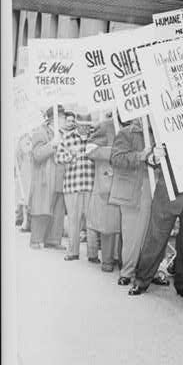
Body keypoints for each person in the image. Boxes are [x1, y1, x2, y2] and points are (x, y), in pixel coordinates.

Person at [128, 146, 183, 299]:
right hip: (167, 191)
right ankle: (141, 280)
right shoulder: (169, 125)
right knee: (155, 238)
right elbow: (151, 156)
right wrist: (155, 156)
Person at [109, 118, 153, 286]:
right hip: (131, 191)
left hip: (151, 188)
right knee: (131, 234)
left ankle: (145, 271)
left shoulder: (158, 132)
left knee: (147, 233)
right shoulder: (125, 133)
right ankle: (127, 271)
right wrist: (139, 156)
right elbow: (116, 159)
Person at [56, 114, 97, 261]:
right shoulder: (67, 138)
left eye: (87, 125)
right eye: (82, 125)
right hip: (72, 185)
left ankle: (93, 255)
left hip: (91, 185)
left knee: (92, 221)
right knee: (74, 220)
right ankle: (73, 252)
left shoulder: (95, 138)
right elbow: (58, 158)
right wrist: (69, 156)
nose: (85, 128)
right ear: (77, 124)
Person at [86, 115, 121, 272]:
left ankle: (121, 260)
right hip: (108, 182)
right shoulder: (106, 125)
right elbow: (90, 150)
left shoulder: (140, 126)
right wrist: (116, 153)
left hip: (129, 183)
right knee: (108, 224)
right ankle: (107, 260)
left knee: (123, 225)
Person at [29, 105, 67, 249]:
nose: (65, 120)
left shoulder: (62, 133)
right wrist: (52, 144)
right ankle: (36, 240)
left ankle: (53, 240)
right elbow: (37, 155)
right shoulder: (40, 132)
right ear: (54, 119)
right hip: (46, 178)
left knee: (58, 210)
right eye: (63, 117)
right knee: (42, 209)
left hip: (60, 177)